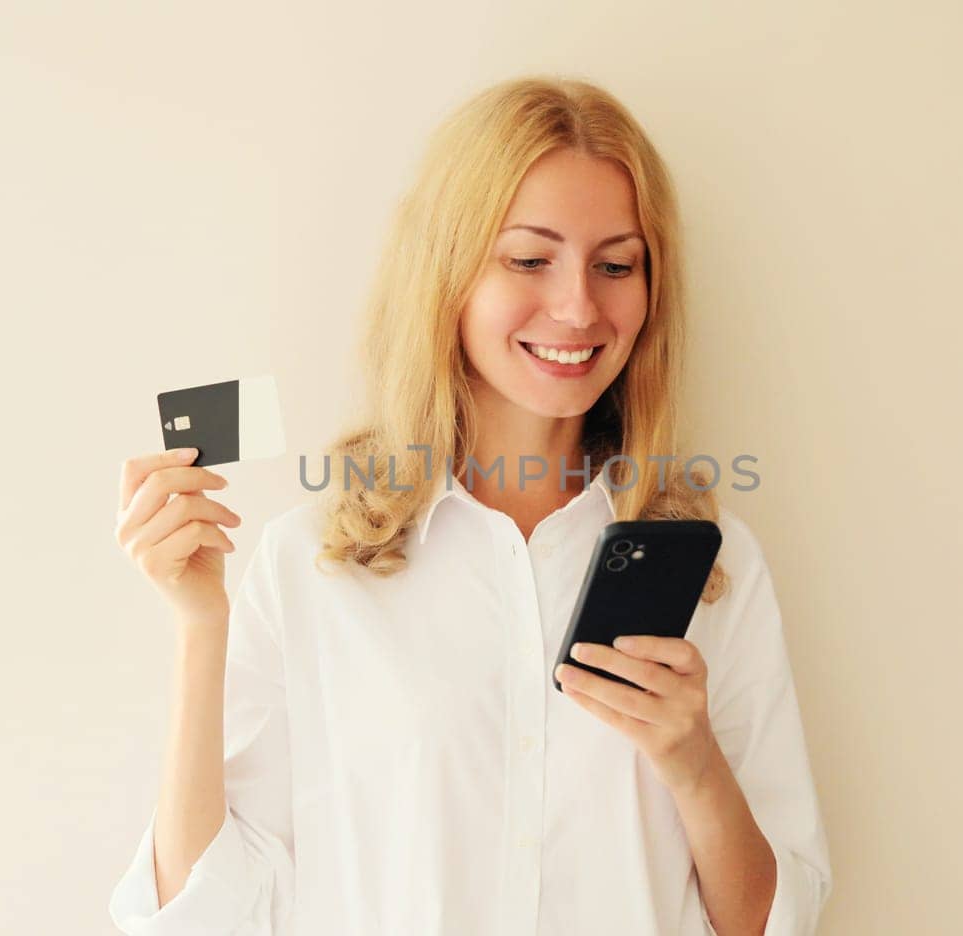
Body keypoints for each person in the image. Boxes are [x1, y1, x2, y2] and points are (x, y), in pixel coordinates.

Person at [108, 75, 832, 936]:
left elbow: (777, 922)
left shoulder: (714, 570)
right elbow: (206, 919)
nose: (577, 307)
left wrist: (693, 762)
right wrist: (200, 629)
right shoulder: (314, 561)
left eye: (616, 265)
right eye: (529, 259)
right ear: (448, 273)